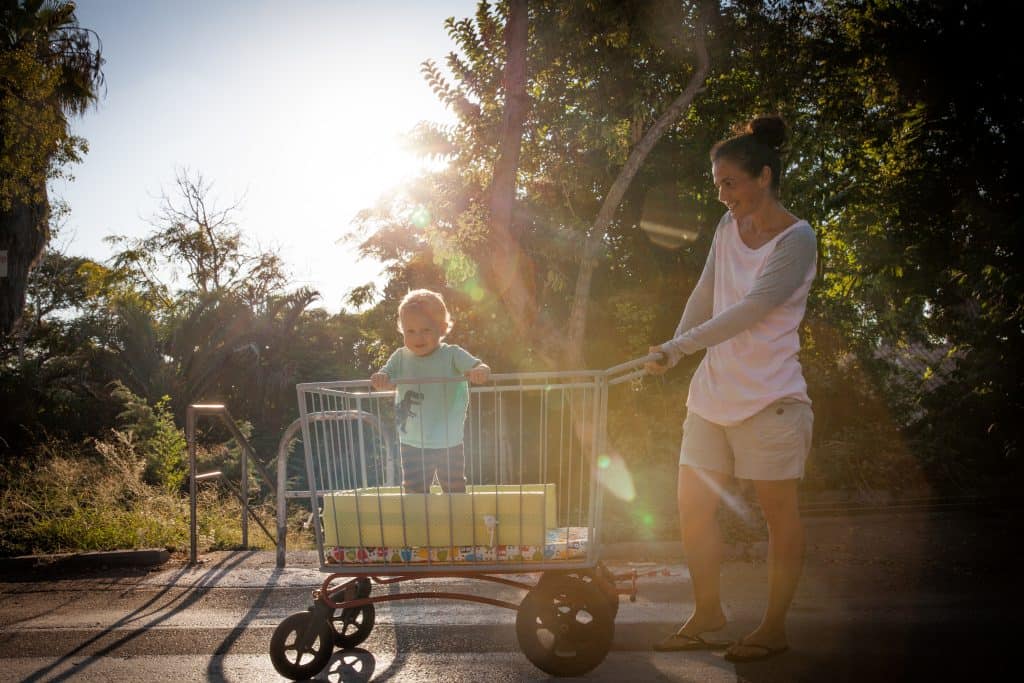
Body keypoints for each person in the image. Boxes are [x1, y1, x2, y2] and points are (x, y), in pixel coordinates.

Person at [645, 115, 817, 663]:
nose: (723, 196)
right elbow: (708, 290)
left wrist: (683, 347)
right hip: (712, 396)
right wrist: (672, 348)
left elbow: (751, 309)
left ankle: (773, 627)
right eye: (717, 185)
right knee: (692, 508)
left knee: (777, 515)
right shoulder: (726, 229)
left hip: (771, 399)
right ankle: (708, 614)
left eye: (731, 184)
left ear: (764, 176)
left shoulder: (797, 239)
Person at [371, 289, 491, 493]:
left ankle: (456, 523)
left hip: (449, 440)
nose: (418, 337)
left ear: (442, 329)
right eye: (410, 331)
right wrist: (381, 379)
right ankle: (419, 525)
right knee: (414, 492)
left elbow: (481, 366)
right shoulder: (400, 357)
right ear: (402, 331)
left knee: (455, 491)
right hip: (412, 442)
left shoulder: (452, 354)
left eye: (426, 330)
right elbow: (384, 376)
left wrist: (479, 371)